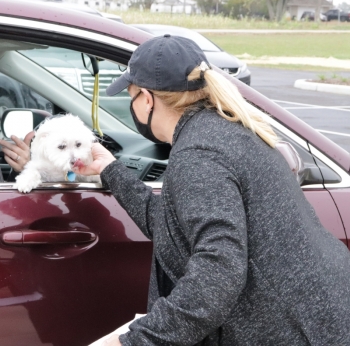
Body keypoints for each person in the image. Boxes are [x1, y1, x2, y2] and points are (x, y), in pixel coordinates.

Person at [76, 35, 350, 346]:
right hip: (315, 319)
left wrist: (134, 341)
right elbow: (173, 228)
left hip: (291, 330)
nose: (132, 104)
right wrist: (110, 169)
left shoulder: (199, 156)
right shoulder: (223, 130)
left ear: (148, 99)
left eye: (131, 95)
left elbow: (217, 273)